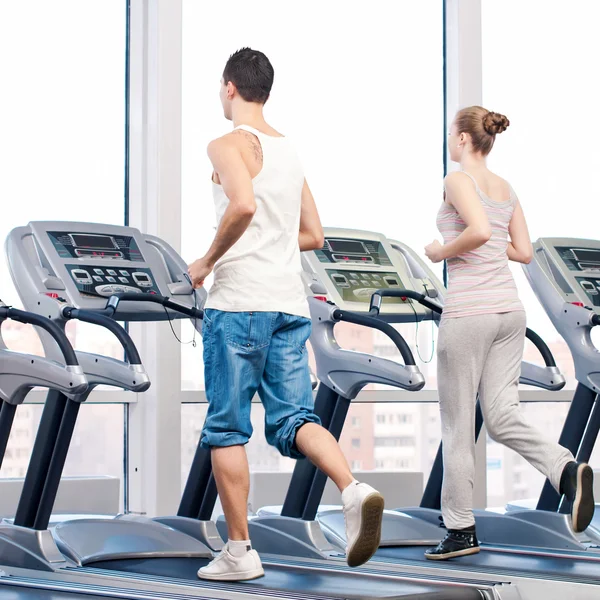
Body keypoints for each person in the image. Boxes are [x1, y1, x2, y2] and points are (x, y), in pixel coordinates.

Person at [187, 48, 384, 581]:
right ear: (265, 91)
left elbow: (243, 204)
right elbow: (313, 235)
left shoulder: (225, 144)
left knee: (227, 428)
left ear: (229, 88)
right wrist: (268, 241)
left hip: (238, 305)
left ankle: (240, 552)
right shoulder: (289, 152)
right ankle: (353, 488)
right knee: (296, 418)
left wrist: (205, 262)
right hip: (287, 306)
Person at [423, 106, 595, 560]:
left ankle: (460, 531)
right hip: (509, 312)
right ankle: (565, 470)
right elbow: (520, 249)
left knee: (459, 426)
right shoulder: (506, 188)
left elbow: (479, 231)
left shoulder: (457, 180)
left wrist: (442, 249)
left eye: (449, 134)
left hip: (469, 312)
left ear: (463, 139)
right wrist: (487, 239)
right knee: (501, 417)